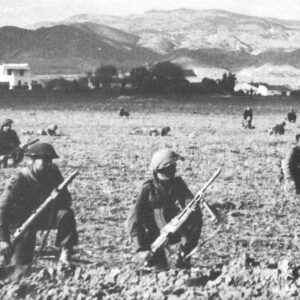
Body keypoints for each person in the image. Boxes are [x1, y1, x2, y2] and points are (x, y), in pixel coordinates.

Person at [0, 143, 78, 268]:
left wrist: (59, 197)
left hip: (44, 215)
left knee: (66, 214)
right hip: (22, 222)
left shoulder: (53, 173)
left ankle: (65, 256)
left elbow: (67, 200)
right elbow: (2, 209)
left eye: (50, 160)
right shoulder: (20, 178)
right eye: (45, 160)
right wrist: (3, 239)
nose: (48, 163)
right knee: (21, 265)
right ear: (33, 160)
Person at [126, 149, 202, 269]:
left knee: (195, 218)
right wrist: (141, 248)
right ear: (161, 169)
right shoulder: (148, 189)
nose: (174, 169)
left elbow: (187, 199)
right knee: (159, 267)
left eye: (174, 166)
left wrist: (193, 206)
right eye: (171, 166)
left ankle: (184, 257)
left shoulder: (177, 184)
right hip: (153, 235)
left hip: (173, 228)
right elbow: (134, 220)